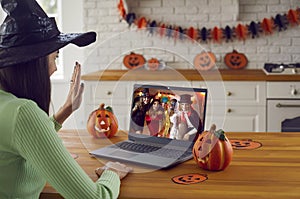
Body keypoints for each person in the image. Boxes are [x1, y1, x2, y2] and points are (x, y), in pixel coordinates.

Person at [0, 0, 132, 198]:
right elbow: (95, 197)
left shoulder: (8, 107)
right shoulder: (22, 113)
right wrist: (112, 172)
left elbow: (23, 139)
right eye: (55, 57)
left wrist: (64, 111)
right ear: (35, 62)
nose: (54, 68)